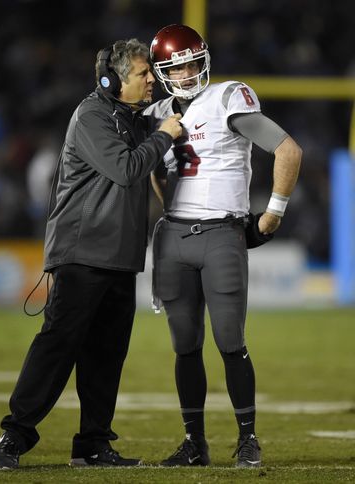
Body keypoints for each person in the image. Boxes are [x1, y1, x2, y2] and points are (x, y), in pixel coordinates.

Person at [0, 38, 182, 470]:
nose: (152, 79)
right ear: (113, 80)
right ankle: (14, 436)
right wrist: (165, 135)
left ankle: (92, 444)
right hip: (82, 252)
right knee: (58, 346)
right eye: (143, 74)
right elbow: (127, 168)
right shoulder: (92, 114)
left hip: (119, 256)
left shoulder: (131, 118)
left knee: (107, 355)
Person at [145, 24, 302, 468]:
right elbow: (155, 171)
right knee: (184, 345)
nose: (189, 72)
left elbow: (288, 150)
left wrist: (272, 214)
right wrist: (170, 208)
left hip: (221, 233)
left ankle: (247, 438)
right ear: (162, 74)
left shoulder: (227, 96)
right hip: (174, 238)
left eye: (194, 62)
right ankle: (194, 443)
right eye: (178, 67)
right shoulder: (157, 112)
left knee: (230, 341)